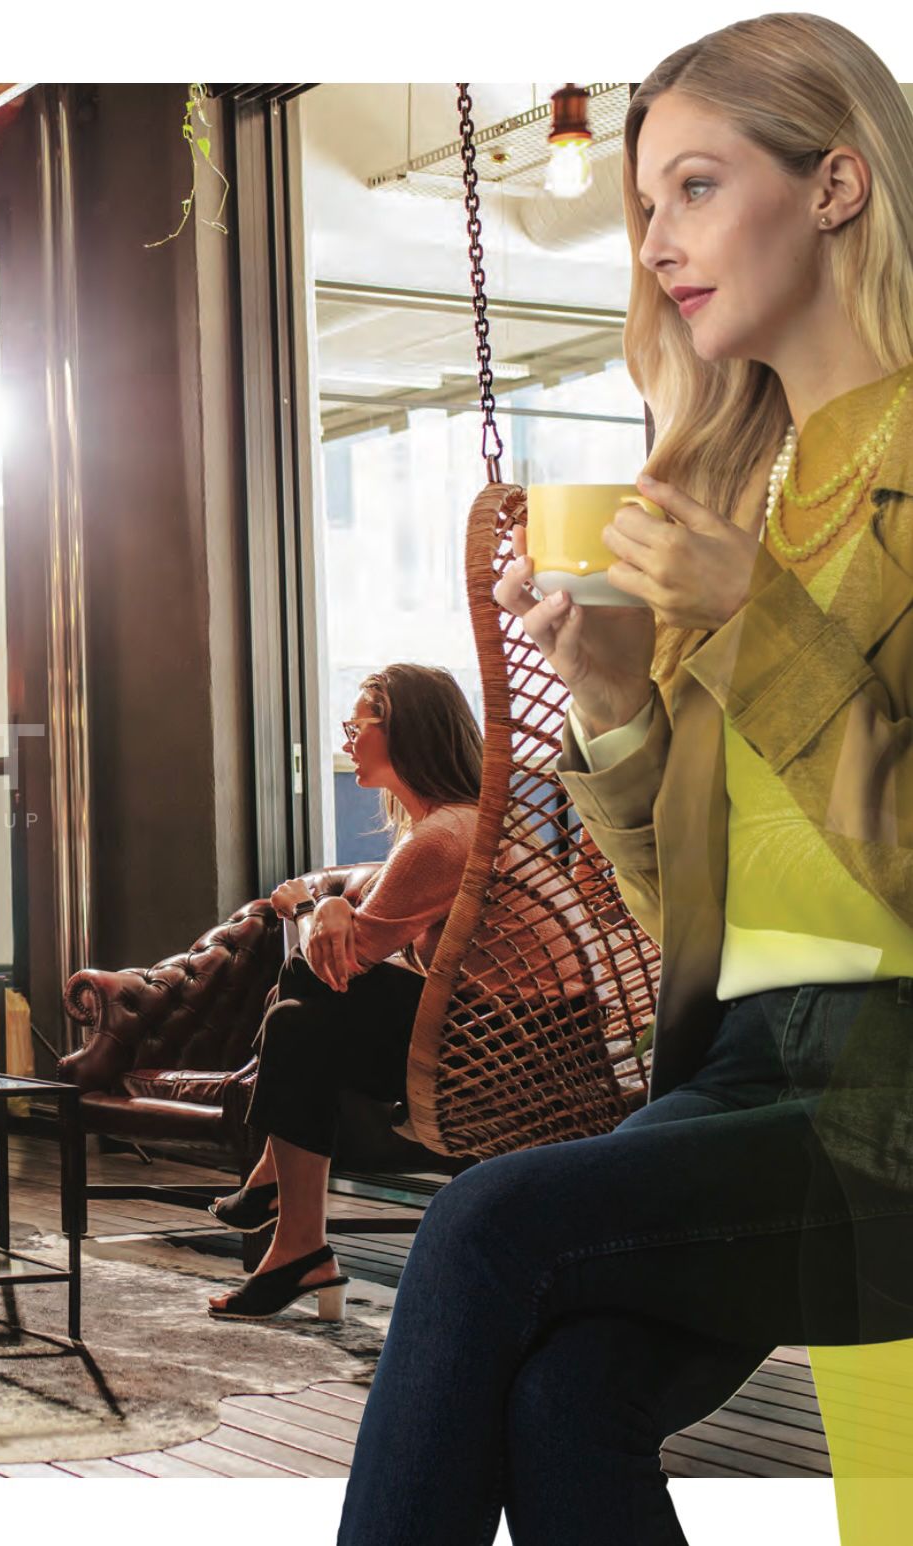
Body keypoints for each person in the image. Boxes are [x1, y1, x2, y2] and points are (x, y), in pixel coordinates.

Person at [340, 17, 913, 1545]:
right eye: (645, 203)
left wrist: (757, 621)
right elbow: (692, 918)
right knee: (562, 1396)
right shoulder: (737, 488)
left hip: (893, 1081)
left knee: (479, 1227)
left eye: (695, 187)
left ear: (836, 184)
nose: (654, 242)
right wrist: (610, 704)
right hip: (737, 1070)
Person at [202, 664, 557, 1322]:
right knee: (298, 1015)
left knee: (301, 1006)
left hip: (507, 1050)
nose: (347, 741)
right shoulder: (464, 823)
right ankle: (291, 1231)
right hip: (519, 1033)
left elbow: (340, 962)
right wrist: (336, 905)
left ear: (405, 732)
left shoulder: (442, 838)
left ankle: (292, 1228)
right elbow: (364, 933)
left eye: (356, 725)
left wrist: (314, 904)